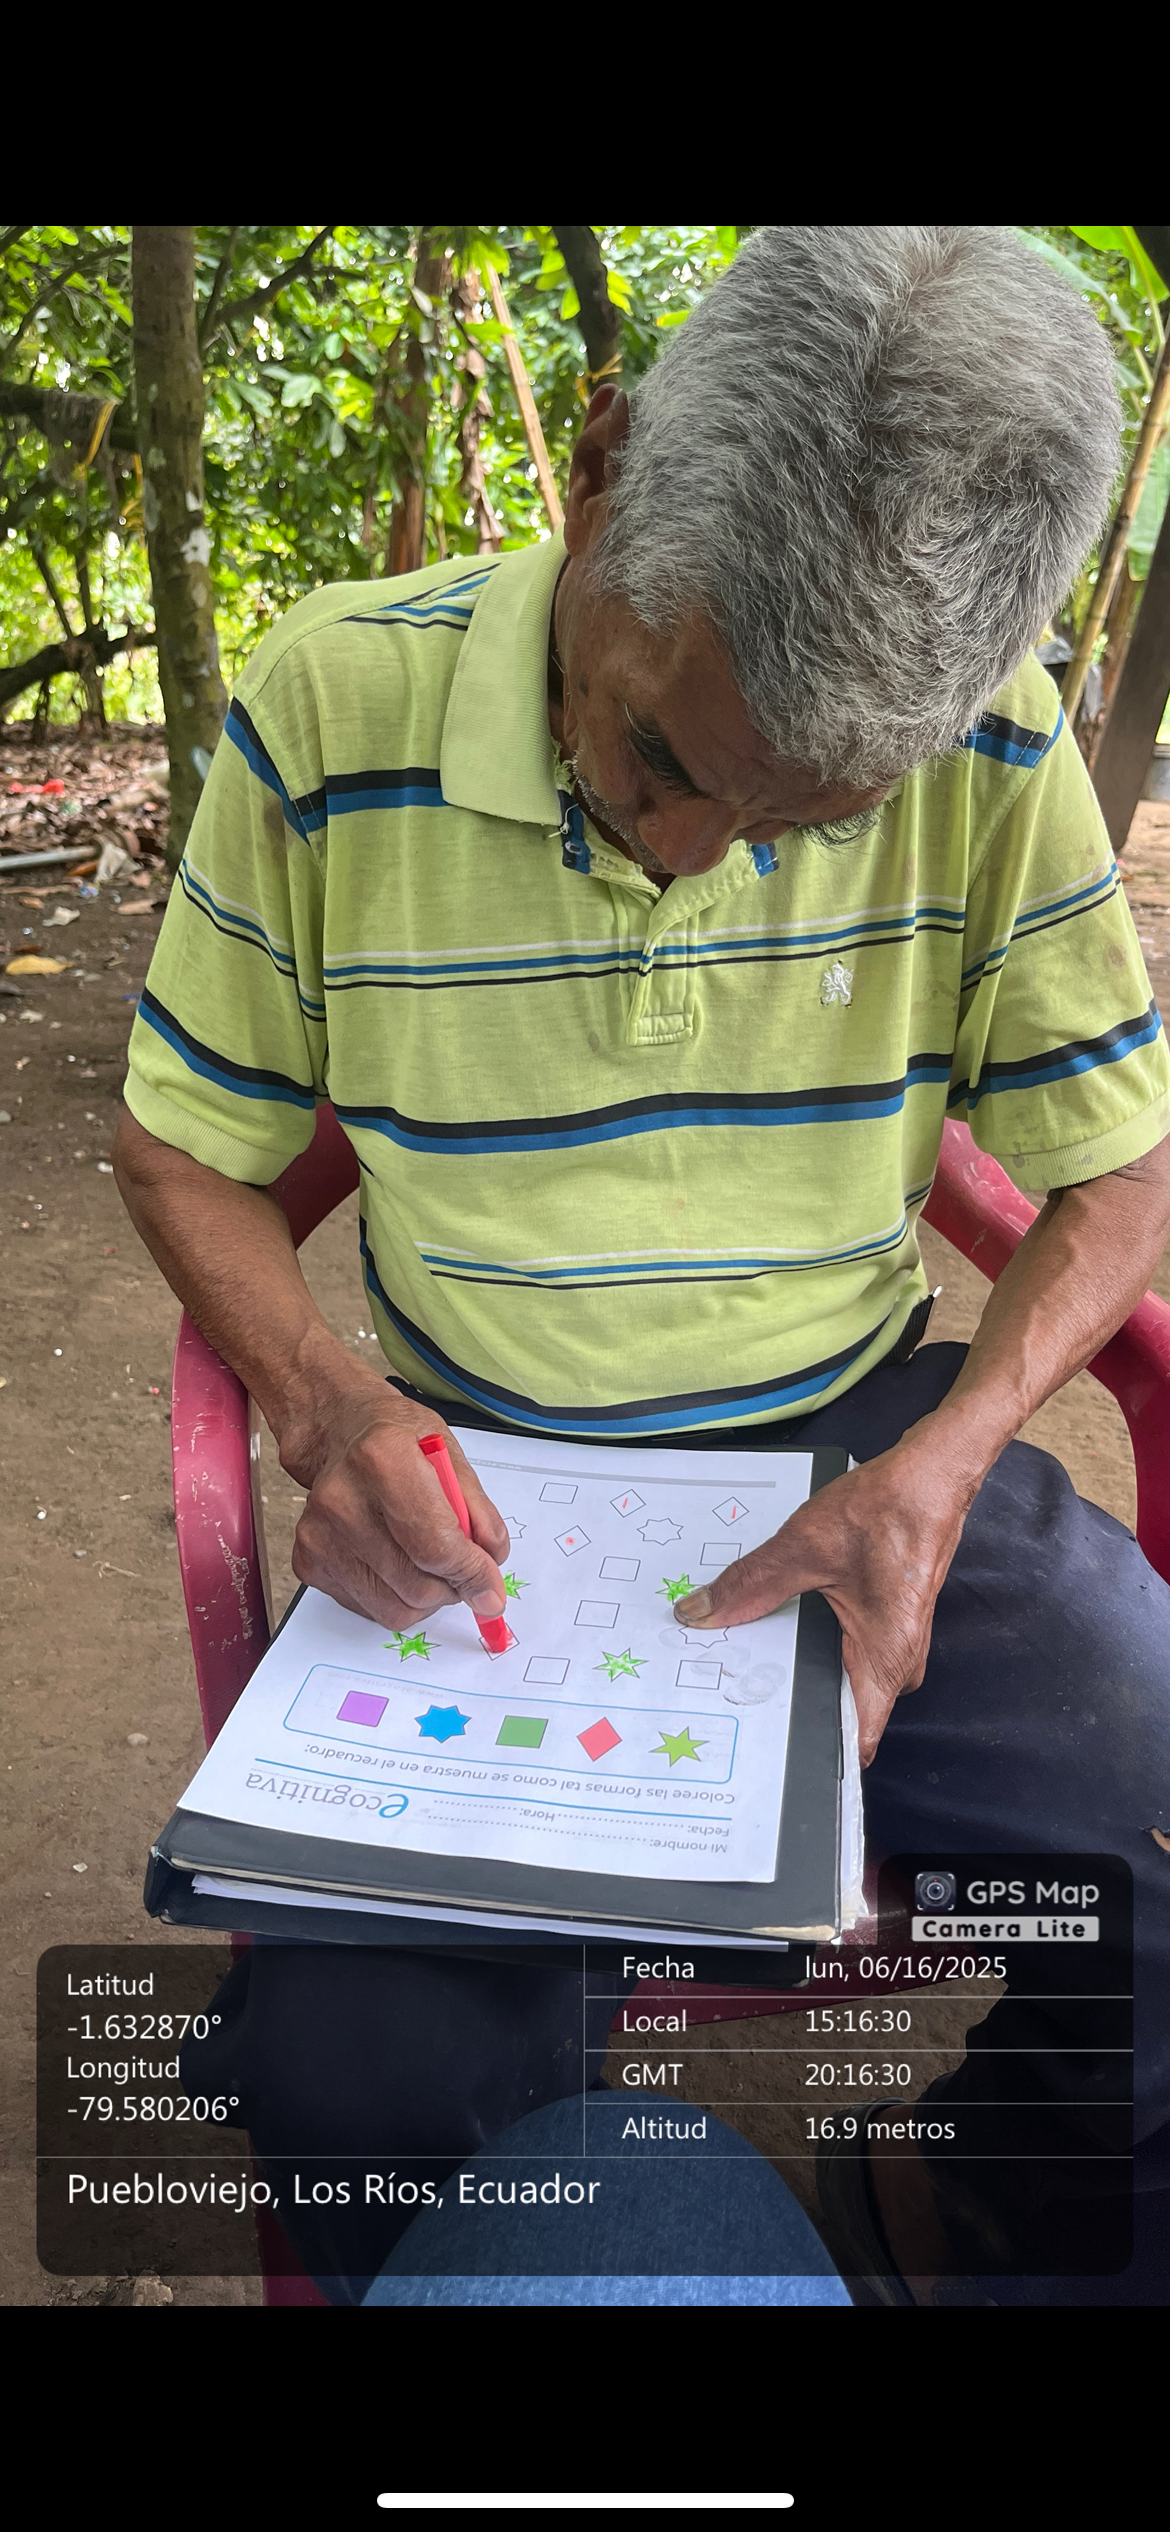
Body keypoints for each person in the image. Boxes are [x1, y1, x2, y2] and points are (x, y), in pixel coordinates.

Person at [115, 227, 1170, 2304]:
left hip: (848, 1430)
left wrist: (949, 1457)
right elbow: (180, 1149)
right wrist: (326, 1406)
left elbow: (1116, 1176)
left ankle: (983, 2202)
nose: (691, 857)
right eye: (664, 759)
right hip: (472, 1445)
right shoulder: (334, 701)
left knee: (1148, 1830)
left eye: (803, 824)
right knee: (347, 2078)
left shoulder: (992, 739)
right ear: (601, 471)